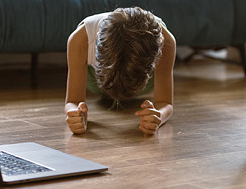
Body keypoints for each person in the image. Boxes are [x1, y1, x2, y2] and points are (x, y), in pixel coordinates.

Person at [65, 7, 176, 135]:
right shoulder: (80, 38)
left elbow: (165, 102)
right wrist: (74, 114)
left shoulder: (165, 40)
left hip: (144, 84)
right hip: (96, 81)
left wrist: (159, 116)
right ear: (96, 40)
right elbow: (72, 101)